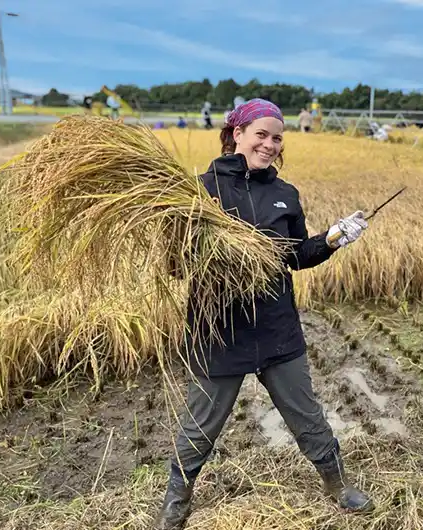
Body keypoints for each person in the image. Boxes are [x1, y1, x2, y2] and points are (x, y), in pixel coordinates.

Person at [156, 99, 373, 530]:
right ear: (237, 134)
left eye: (277, 138)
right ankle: (176, 503)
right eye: (262, 134)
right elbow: (175, 265)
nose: (270, 144)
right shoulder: (199, 191)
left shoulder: (284, 195)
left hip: (276, 328)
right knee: (200, 427)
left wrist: (331, 239)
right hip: (218, 330)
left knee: (307, 416)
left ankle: (338, 485)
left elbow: (295, 256)